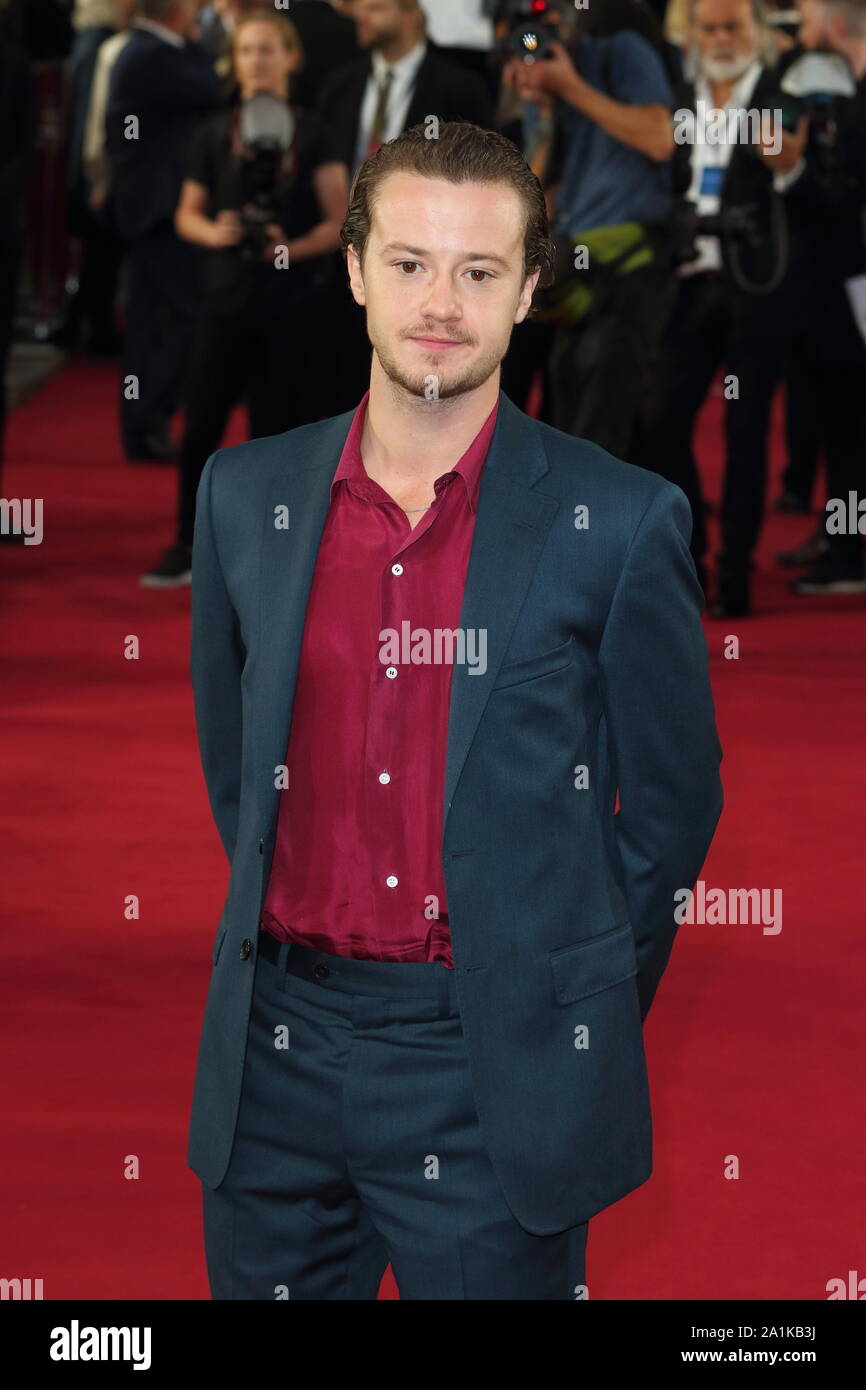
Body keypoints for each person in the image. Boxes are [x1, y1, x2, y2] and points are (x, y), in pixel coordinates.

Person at [187, 119, 724, 1300]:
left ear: (528, 288)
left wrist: (557, 997)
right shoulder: (244, 496)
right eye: (410, 263)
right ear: (353, 270)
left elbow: (671, 813)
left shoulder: (620, 523)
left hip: (488, 1069)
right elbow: (237, 770)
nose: (440, 303)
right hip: (275, 1059)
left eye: (478, 271)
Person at [140, 8, 348, 587]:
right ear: (233, 62)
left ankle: (277, 552)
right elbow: (187, 214)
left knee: (278, 434)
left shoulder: (317, 131)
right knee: (201, 424)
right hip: (223, 302)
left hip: (291, 309)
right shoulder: (213, 133)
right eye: (247, 51)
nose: (258, 61)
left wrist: (289, 247)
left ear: (290, 58)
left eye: (268, 49)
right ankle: (188, 543)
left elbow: (340, 221)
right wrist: (219, 232)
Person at [634, 0, 808, 614]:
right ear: (693, 35)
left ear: (755, 32)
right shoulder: (679, 96)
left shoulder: (780, 87)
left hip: (753, 283)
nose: (722, 38)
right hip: (686, 281)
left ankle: (734, 576)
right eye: (710, 27)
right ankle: (695, 561)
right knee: (661, 425)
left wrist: (764, 131)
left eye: (733, 26)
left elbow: (787, 157)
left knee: (745, 431)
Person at [501, 0, 678, 460]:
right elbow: (535, 191)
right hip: (573, 267)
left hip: (630, 265)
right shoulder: (550, 85)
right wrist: (540, 108)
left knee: (602, 435)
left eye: (554, 18)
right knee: (571, 417)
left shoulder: (621, 51)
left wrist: (570, 87)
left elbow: (661, 138)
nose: (546, 32)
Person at [106, 0, 221, 460]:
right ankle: (150, 417)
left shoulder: (144, 51)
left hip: (151, 211)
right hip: (159, 212)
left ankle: (144, 425)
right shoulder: (152, 56)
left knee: (153, 320)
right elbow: (213, 88)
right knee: (181, 318)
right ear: (176, 10)